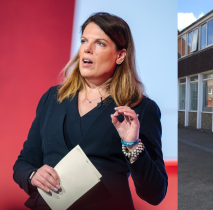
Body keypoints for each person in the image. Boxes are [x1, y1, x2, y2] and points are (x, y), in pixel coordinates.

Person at [13, 12, 167, 210]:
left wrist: (132, 145)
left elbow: (155, 193)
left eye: (100, 43)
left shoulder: (139, 108)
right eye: (84, 40)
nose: (87, 48)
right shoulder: (52, 98)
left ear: (120, 55)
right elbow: (23, 163)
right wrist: (33, 176)